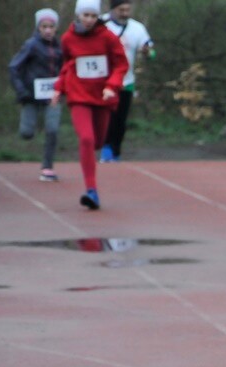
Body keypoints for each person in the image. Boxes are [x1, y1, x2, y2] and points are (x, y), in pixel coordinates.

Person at [51, 0, 128, 210]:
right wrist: (59, 87)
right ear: (78, 15)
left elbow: (121, 64)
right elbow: (67, 65)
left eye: (93, 16)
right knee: (86, 138)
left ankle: (92, 156)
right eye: (85, 15)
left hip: (103, 97)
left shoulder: (108, 38)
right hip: (79, 95)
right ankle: (91, 190)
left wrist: (112, 85)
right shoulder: (68, 39)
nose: (89, 20)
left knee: (97, 142)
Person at [7, 8, 63, 182]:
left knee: (52, 129)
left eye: (51, 26)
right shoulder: (31, 45)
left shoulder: (61, 47)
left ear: (56, 28)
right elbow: (13, 67)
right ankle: (31, 126)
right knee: (26, 133)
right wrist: (21, 90)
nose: (47, 30)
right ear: (38, 27)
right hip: (30, 95)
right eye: (44, 26)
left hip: (53, 95)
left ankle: (47, 167)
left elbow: (67, 67)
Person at [99, 0, 154, 163]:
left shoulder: (137, 28)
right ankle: (105, 148)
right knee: (106, 116)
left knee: (120, 119)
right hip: (104, 81)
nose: (125, 13)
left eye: (127, 10)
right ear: (113, 9)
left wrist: (147, 52)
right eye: (121, 10)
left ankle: (116, 151)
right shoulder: (101, 24)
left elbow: (151, 52)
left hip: (126, 81)